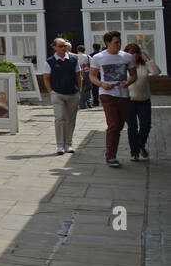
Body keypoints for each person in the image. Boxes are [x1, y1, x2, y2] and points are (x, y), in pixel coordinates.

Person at [90, 30, 136, 167]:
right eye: (116, 42)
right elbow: (92, 76)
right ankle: (110, 156)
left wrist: (127, 82)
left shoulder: (127, 57)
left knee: (119, 126)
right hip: (106, 94)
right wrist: (101, 84)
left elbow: (134, 75)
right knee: (114, 124)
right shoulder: (98, 57)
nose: (119, 44)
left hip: (124, 95)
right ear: (107, 43)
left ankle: (112, 153)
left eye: (120, 42)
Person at [43, 37, 82, 155]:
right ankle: (60, 145)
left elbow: (78, 76)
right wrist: (51, 92)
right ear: (54, 47)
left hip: (72, 93)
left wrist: (79, 91)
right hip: (58, 94)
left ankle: (68, 144)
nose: (63, 48)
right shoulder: (50, 61)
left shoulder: (74, 60)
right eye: (61, 46)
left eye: (65, 46)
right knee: (60, 118)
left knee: (71, 120)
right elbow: (46, 78)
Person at [125, 43, 159, 162]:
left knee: (146, 125)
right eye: (130, 52)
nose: (133, 55)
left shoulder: (144, 66)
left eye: (135, 52)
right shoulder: (124, 67)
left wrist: (148, 59)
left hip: (144, 100)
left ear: (139, 54)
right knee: (132, 127)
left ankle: (140, 145)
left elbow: (155, 72)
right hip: (128, 101)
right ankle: (134, 153)